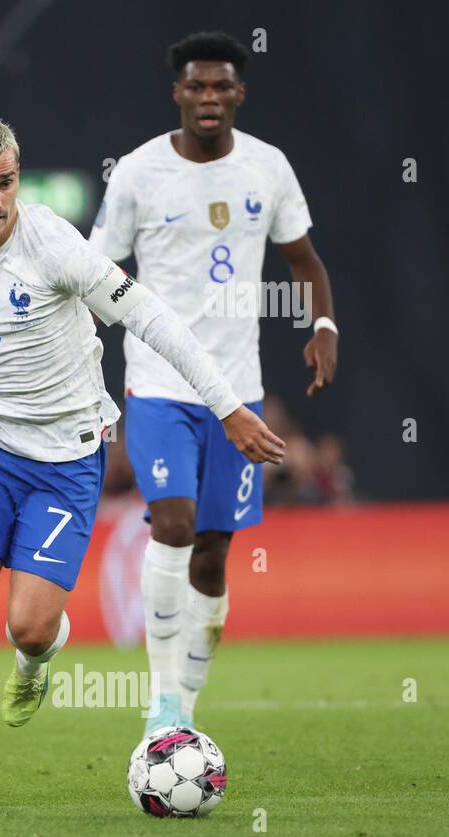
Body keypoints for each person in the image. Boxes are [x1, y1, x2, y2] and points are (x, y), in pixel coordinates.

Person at [0, 116, 284, 808]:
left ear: (19, 177)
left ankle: (37, 658)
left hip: (66, 456)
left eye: (6, 183)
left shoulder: (53, 243)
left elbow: (153, 318)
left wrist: (226, 405)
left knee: (31, 627)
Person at [89, 31, 338, 735]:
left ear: (238, 93)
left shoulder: (268, 168)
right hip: (158, 384)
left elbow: (306, 261)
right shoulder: (138, 172)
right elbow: (96, 273)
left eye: (220, 86)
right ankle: (160, 705)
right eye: (195, 86)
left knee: (214, 550)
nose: (207, 97)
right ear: (177, 93)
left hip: (238, 390)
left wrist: (324, 328)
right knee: (171, 523)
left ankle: (185, 713)